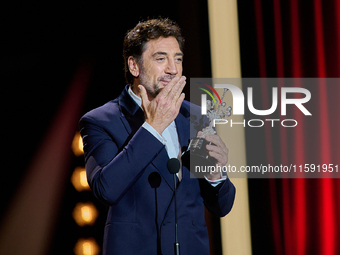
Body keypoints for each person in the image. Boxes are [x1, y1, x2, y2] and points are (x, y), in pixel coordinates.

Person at [79, 18, 235, 255]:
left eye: (178, 59)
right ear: (134, 66)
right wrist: (153, 127)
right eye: (161, 58)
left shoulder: (195, 116)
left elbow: (221, 206)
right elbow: (106, 188)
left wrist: (216, 176)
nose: (173, 68)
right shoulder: (101, 121)